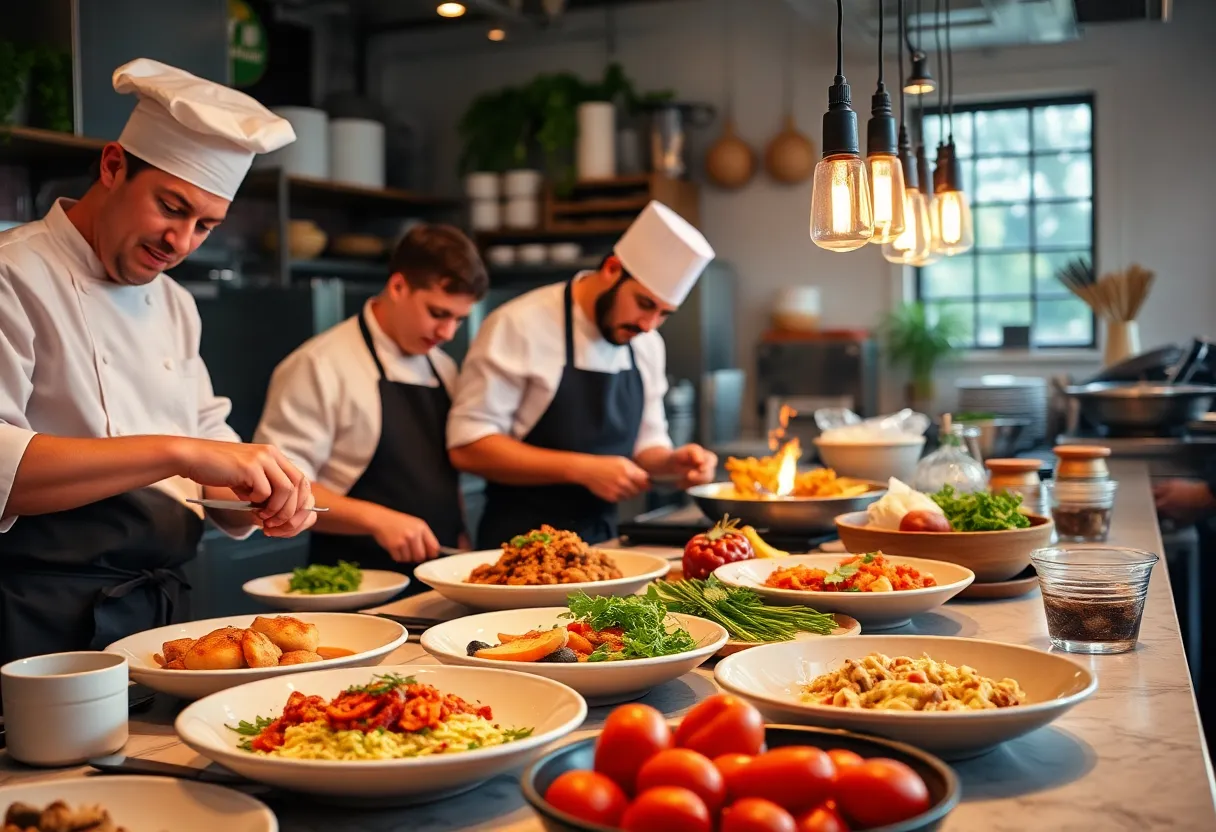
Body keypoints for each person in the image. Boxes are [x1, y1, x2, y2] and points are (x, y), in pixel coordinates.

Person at [0, 59, 315, 666]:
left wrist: (253, 492)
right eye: (171, 207)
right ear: (113, 166)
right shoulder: (14, 275)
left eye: (205, 226)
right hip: (34, 617)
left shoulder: (174, 302)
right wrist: (180, 452)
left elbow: (205, 437)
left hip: (157, 613)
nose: (181, 243)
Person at [448, 200, 719, 548]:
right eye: (644, 303)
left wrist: (673, 464)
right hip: (518, 548)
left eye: (664, 313)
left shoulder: (648, 345)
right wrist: (582, 469)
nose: (648, 325)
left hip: (603, 545)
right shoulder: (518, 324)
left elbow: (646, 447)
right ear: (611, 268)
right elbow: (468, 446)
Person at [254, 225, 488, 585]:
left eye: (458, 319)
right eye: (438, 313)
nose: (447, 333)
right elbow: (279, 487)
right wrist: (377, 520)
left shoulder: (442, 366)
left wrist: (459, 531)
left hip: (437, 572)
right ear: (398, 287)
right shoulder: (319, 364)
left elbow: (441, 472)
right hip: (354, 580)